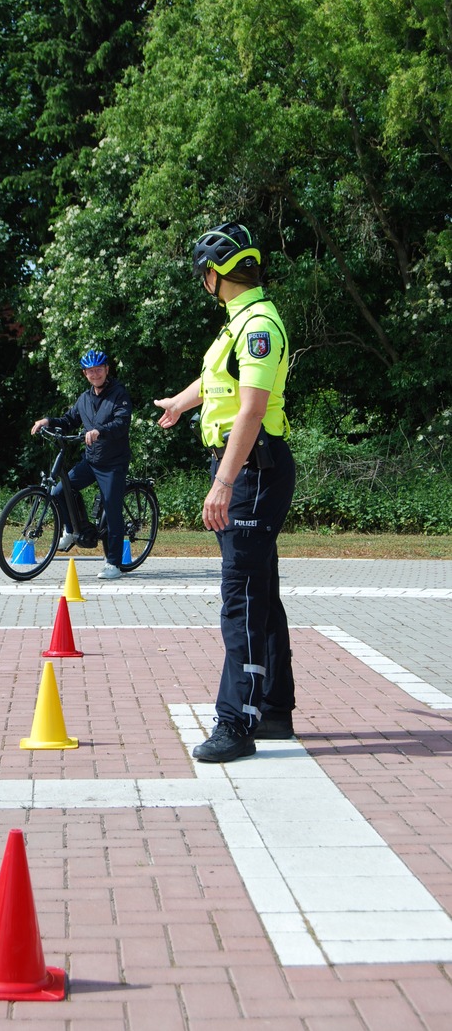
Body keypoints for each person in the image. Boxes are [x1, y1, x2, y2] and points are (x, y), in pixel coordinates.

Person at [154, 222, 296, 762]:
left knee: (241, 597)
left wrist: (223, 482)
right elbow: (219, 384)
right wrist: (179, 403)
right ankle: (276, 711)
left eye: (203, 276)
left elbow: (253, 409)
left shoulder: (258, 325)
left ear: (215, 275)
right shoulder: (238, 325)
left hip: (252, 471)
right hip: (249, 468)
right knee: (261, 589)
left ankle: (236, 723)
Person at [31, 349, 132, 580]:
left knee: (111, 507)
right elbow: (69, 420)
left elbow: (121, 422)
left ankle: (114, 563)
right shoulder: (84, 398)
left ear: (107, 370)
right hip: (91, 460)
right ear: (85, 373)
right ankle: (71, 529)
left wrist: (100, 431)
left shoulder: (119, 394)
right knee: (59, 491)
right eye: (90, 371)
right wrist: (48, 421)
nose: (95, 374)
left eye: (99, 369)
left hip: (113, 463)